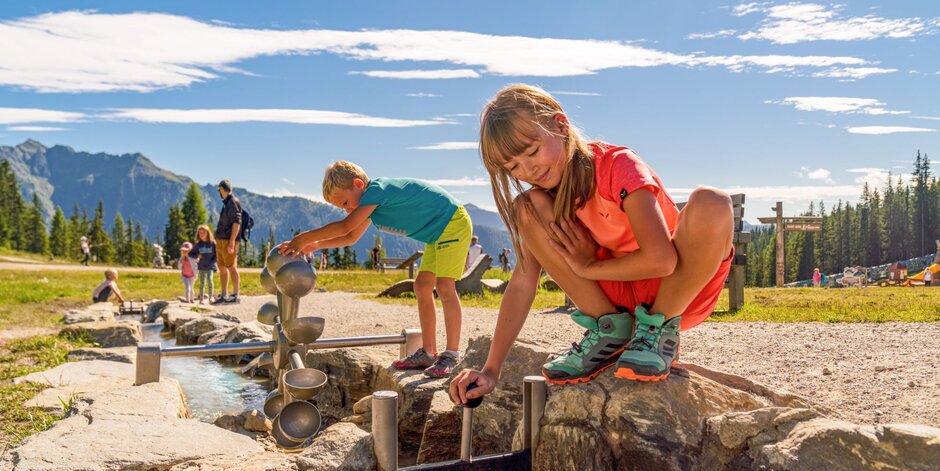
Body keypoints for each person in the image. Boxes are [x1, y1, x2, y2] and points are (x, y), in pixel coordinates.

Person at [450, 84, 734, 405]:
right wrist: (491, 369)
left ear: (560, 124)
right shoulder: (547, 199)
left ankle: (657, 332)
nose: (528, 170)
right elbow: (522, 281)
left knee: (712, 202)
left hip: (676, 289)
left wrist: (589, 266)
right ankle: (611, 331)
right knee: (525, 207)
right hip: (616, 296)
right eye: (513, 167)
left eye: (532, 152)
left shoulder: (617, 165)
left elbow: (663, 259)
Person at [279, 160, 473, 378]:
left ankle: (452, 354)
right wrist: (315, 244)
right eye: (342, 207)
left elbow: (345, 227)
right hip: (436, 233)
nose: (347, 209)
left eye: (345, 202)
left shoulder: (376, 191)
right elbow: (351, 237)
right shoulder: (369, 203)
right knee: (422, 286)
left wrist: (303, 237)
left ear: (358, 185)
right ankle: (428, 353)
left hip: (452, 223)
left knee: (445, 285)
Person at [214, 179, 243, 304]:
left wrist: (232, 241)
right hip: (221, 239)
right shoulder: (227, 202)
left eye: (219, 190)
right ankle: (224, 295)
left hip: (227, 240)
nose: (219, 193)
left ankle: (236, 295)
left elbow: (237, 222)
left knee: (231, 267)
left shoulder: (233, 202)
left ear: (222, 189)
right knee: (222, 267)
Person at [190, 225, 217, 304]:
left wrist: (212, 262)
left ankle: (211, 297)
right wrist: (197, 256)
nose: (202, 234)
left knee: (210, 280)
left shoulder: (212, 243)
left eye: (204, 233)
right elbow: (191, 254)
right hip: (201, 266)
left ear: (208, 233)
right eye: (200, 233)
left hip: (210, 266)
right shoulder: (198, 244)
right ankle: (201, 298)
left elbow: (217, 255)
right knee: (202, 282)